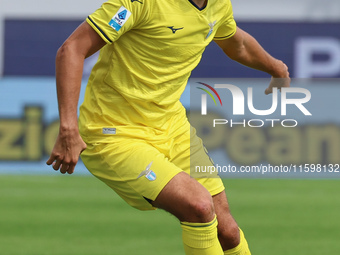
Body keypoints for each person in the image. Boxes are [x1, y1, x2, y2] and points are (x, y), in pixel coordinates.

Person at [47, 0, 290, 254]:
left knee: (226, 231)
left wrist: (275, 67)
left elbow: (236, 42)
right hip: (115, 133)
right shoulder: (139, 3)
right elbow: (72, 49)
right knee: (198, 206)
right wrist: (68, 128)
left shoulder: (218, 4)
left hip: (172, 126)